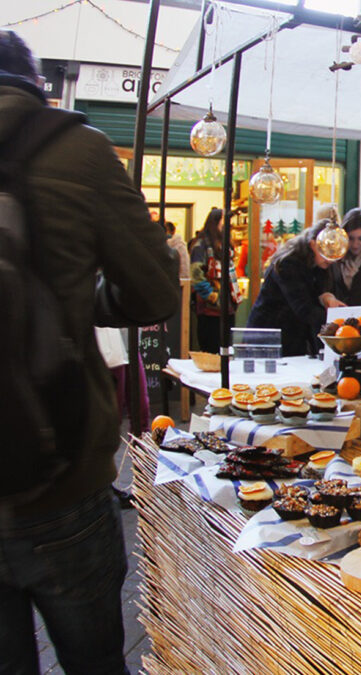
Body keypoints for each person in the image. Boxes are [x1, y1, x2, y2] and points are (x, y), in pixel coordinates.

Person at [0, 31, 179, 673]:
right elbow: (153, 291)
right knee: (95, 659)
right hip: (63, 471)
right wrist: (80, 301)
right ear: (39, 84)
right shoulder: (76, 149)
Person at [248, 219, 342, 357]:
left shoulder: (318, 265)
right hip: (268, 338)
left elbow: (312, 299)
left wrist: (326, 297)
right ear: (312, 244)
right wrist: (338, 322)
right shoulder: (288, 263)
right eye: (324, 250)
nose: (329, 258)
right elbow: (304, 309)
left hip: (291, 337)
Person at [190, 207, 241, 354]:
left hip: (228, 307)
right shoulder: (201, 246)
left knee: (226, 350)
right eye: (224, 222)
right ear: (215, 223)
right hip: (210, 310)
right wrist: (212, 297)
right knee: (211, 350)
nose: (228, 225)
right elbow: (196, 275)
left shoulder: (224, 245)